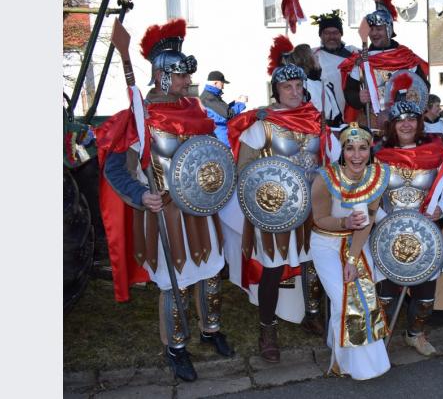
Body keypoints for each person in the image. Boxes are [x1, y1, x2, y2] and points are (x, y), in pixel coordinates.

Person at [95, 19, 233, 382]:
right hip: (166, 210)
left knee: (213, 271)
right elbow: (115, 168)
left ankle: (211, 328)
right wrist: (141, 194)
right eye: (182, 76)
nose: (188, 82)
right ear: (162, 77)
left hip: (202, 210)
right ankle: (175, 346)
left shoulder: (196, 112)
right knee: (178, 281)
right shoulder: (141, 119)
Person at [226, 60, 338, 362]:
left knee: (314, 261)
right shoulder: (263, 125)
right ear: (276, 90)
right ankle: (267, 329)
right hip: (276, 209)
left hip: (314, 206)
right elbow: (245, 170)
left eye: (299, 86)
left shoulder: (317, 121)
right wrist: (260, 204)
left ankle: (313, 314)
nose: (294, 91)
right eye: (287, 87)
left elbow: (332, 160)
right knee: (273, 268)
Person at [309, 122, 392, 379]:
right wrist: (344, 222)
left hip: (357, 241)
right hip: (325, 243)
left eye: (362, 148)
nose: (357, 155)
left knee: (363, 297)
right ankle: (348, 363)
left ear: (370, 150)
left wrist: (353, 260)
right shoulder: (325, 178)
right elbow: (320, 219)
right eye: (350, 148)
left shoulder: (376, 177)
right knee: (345, 300)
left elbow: (366, 222)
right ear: (342, 151)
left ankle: (347, 359)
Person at [374, 100, 443, 356]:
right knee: (385, 296)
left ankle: (414, 335)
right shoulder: (378, 156)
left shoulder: (435, 152)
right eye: (400, 119)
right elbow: (372, 195)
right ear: (392, 125)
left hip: (425, 232)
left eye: (411, 119)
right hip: (387, 232)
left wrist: (440, 207)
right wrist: (387, 223)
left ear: (418, 123)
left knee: (426, 295)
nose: (406, 124)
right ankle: (378, 339)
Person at [339, 0, 429, 131]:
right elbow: (349, 91)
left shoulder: (406, 57)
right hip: (373, 122)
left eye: (379, 29)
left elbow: (424, 87)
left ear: (388, 29)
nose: (374, 33)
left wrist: (410, 95)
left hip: (404, 122)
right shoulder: (362, 61)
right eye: (371, 29)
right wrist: (358, 97)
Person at [312, 9, 359, 129]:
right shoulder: (313, 56)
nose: (331, 37)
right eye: (327, 33)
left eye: (335, 32)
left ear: (341, 34)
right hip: (325, 117)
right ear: (321, 35)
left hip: (354, 113)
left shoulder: (354, 53)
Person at [199, 70, 247, 147]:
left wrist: (234, 102)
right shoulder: (209, 98)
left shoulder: (210, 96)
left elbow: (222, 111)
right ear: (215, 83)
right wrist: (241, 103)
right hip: (222, 139)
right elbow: (228, 115)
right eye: (222, 83)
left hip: (221, 136)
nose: (223, 87)